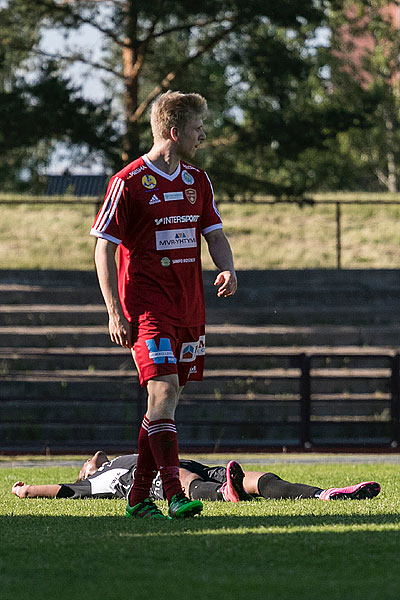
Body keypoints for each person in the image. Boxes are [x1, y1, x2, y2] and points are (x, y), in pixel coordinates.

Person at [90, 91, 237, 519]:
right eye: (197, 129)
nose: (203, 136)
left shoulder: (197, 181)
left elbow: (215, 234)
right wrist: (114, 310)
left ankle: (138, 494)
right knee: (165, 390)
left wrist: (227, 268)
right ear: (175, 132)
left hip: (189, 308)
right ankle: (173, 493)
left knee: (164, 402)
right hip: (147, 309)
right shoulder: (129, 181)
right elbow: (104, 248)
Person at [12, 451, 381, 505]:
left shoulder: (108, 460)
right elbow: (62, 490)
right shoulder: (96, 482)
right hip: (159, 473)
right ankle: (223, 493)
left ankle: (322, 494)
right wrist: (27, 490)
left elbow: (97, 456)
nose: (86, 466)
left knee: (257, 477)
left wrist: (96, 458)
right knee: (186, 479)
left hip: (178, 457)